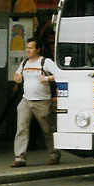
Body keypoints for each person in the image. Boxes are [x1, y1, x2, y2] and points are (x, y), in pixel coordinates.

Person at [11, 39, 60, 167]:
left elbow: (60, 74)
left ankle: (54, 154)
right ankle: (19, 157)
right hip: (26, 99)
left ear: (38, 49)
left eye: (31, 48)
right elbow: (17, 75)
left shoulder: (45, 62)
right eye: (27, 48)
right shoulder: (25, 62)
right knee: (21, 128)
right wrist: (17, 78)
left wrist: (47, 78)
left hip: (42, 101)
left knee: (47, 129)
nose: (28, 50)